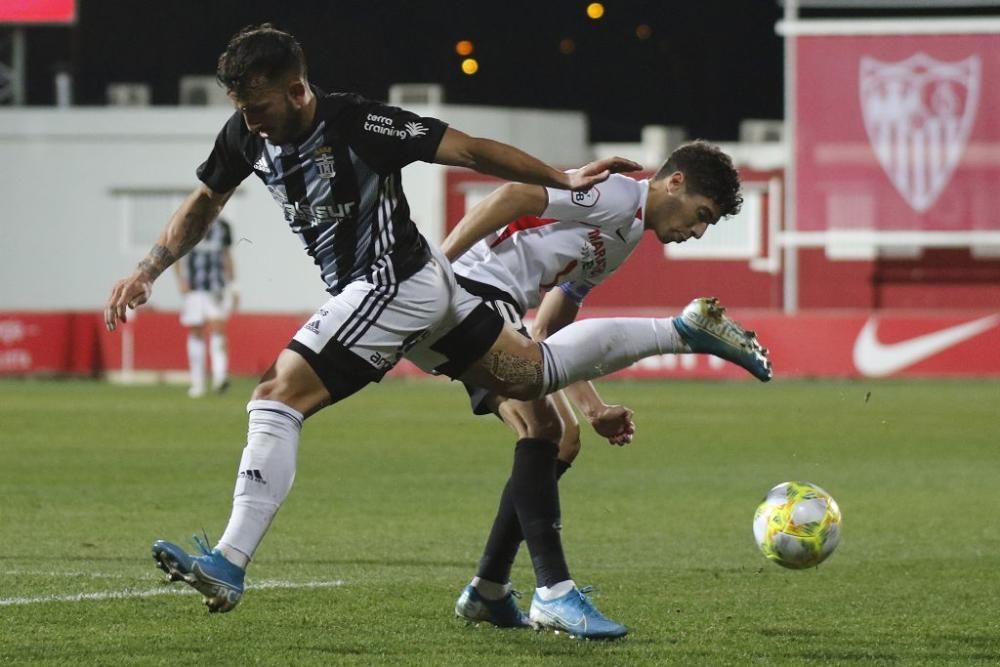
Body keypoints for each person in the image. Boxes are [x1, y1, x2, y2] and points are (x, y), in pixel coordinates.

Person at [102, 25, 769, 637]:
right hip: (436, 290)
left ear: (298, 89)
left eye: (261, 108)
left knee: (279, 393)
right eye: (243, 109)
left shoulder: (360, 122)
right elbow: (205, 199)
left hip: (402, 281)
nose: (252, 123)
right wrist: (149, 267)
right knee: (535, 388)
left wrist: (552, 182)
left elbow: (472, 151)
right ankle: (677, 333)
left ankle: (230, 559)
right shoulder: (247, 135)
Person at [444, 141, 768, 637]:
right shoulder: (615, 195)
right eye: (702, 215)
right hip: (472, 293)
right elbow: (510, 197)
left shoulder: (625, 237)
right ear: (674, 182)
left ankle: (488, 589)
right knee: (543, 426)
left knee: (561, 435)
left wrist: (593, 408)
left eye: (709, 225)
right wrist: (435, 271)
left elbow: (550, 328)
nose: (698, 231)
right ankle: (552, 590)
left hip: (489, 307)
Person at [173, 216, 238, 397]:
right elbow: (177, 253)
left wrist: (234, 286)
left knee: (218, 329)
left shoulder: (223, 226)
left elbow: (227, 255)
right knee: (196, 331)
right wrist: (180, 280)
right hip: (194, 287)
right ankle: (198, 383)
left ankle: (220, 378)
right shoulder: (187, 223)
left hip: (216, 287)